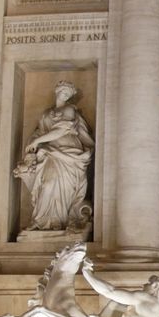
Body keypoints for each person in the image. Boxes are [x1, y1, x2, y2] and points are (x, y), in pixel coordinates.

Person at [14, 82, 94, 232]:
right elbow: (39, 132)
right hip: (49, 153)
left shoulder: (69, 109)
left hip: (68, 153)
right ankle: (41, 222)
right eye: (64, 92)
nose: (65, 95)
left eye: (68, 94)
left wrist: (38, 141)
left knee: (60, 187)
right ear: (57, 91)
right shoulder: (46, 113)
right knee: (46, 185)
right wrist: (32, 143)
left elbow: (61, 130)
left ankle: (59, 222)